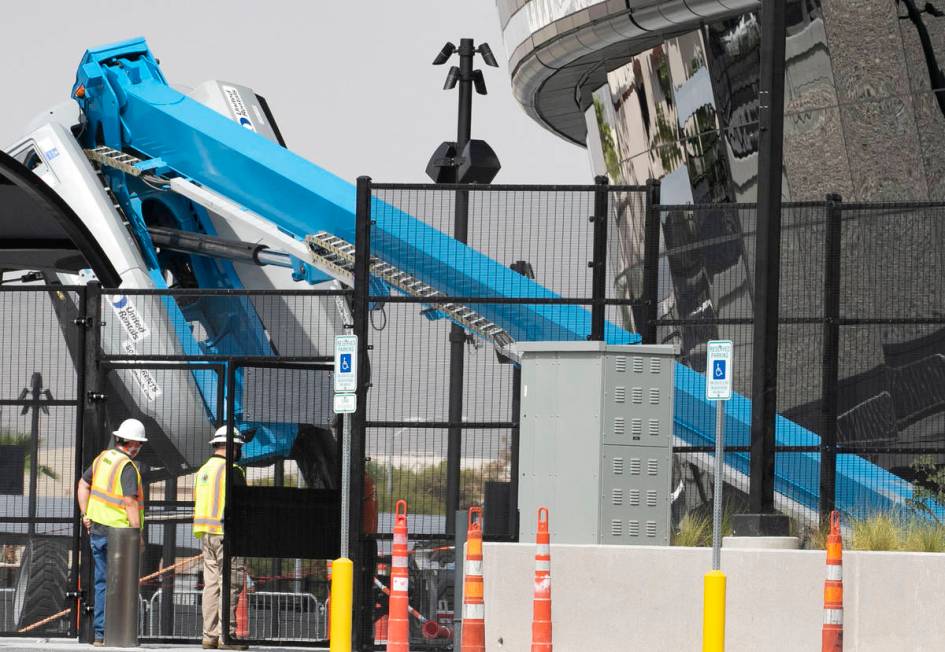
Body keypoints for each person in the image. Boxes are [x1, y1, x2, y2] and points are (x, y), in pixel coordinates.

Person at [76, 418, 148, 647]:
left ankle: (101, 635)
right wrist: (137, 535)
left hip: (96, 530)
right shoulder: (127, 466)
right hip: (120, 535)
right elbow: (129, 502)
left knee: (102, 583)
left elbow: (82, 485)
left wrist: (85, 514)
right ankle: (120, 634)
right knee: (122, 584)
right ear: (133, 443)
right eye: (140, 444)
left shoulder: (102, 459)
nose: (140, 449)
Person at [194, 426, 248, 650]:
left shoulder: (203, 470)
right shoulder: (232, 470)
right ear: (233, 447)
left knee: (211, 585)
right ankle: (227, 636)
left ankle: (210, 636)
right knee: (230, 585)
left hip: (206, 534)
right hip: (226, 534)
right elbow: (243, 505)